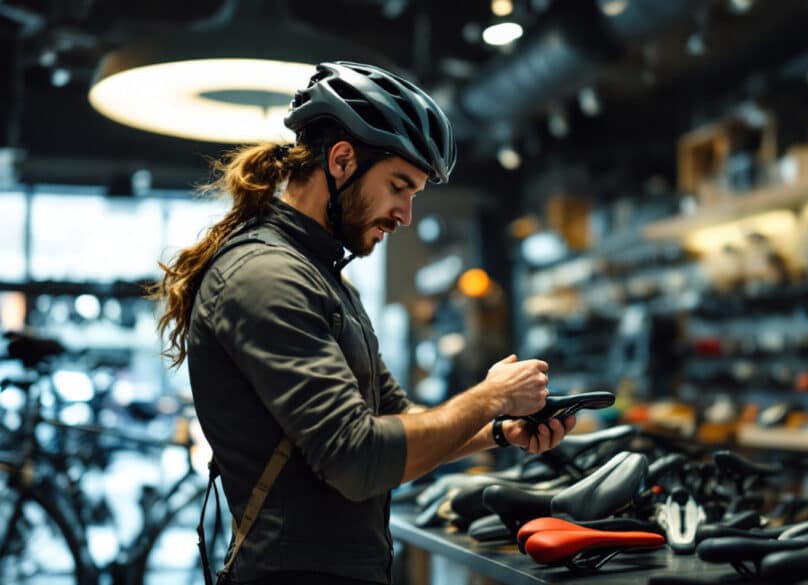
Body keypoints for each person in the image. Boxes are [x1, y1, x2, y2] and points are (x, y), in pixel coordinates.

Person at [152, 61, 576, 585]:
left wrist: (497, 430)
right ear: (342, 159)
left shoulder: (323, 279)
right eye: (400, 186)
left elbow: (395, 422)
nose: (406, 214)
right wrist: (488, 398)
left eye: (414, 194)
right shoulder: (266, 277)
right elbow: (358, 457)